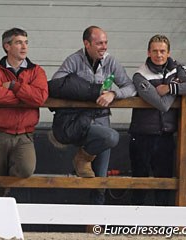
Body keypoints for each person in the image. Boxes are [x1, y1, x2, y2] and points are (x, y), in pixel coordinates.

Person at [48, 26, 136, 205]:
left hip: (101, 121)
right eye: (99, 43)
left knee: (100, 180)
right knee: (111, 137)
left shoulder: (111, 62)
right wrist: (88, 91)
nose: (104, 47)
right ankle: (82, 158)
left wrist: (114, 94)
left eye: (105, 42)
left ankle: (94, 227)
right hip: (79, 123)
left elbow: (131, 87)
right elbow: (56, 84)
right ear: (86, 44)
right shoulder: (74, 60)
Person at [128, 34, 186, 206]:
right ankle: (133, 225)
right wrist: (176, 90)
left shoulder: (178, 68)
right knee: (139, 182)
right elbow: (161, 105)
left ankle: (162, 226)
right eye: (155, 51)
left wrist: (170, 87)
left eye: (162, 51)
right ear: (148, 52)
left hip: (166, 137)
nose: (158, 55)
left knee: (165, 182)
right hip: (141, 136)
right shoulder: (140, 75)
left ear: (168, 53)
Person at [0, 28, 48, 184]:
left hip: (24, 135)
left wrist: (14, 86)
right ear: (7, 46)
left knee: (26, 169)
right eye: (19, 43)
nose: (24, 47)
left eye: (26, 42)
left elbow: (40, 98)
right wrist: (26, 96)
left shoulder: (37, 71)